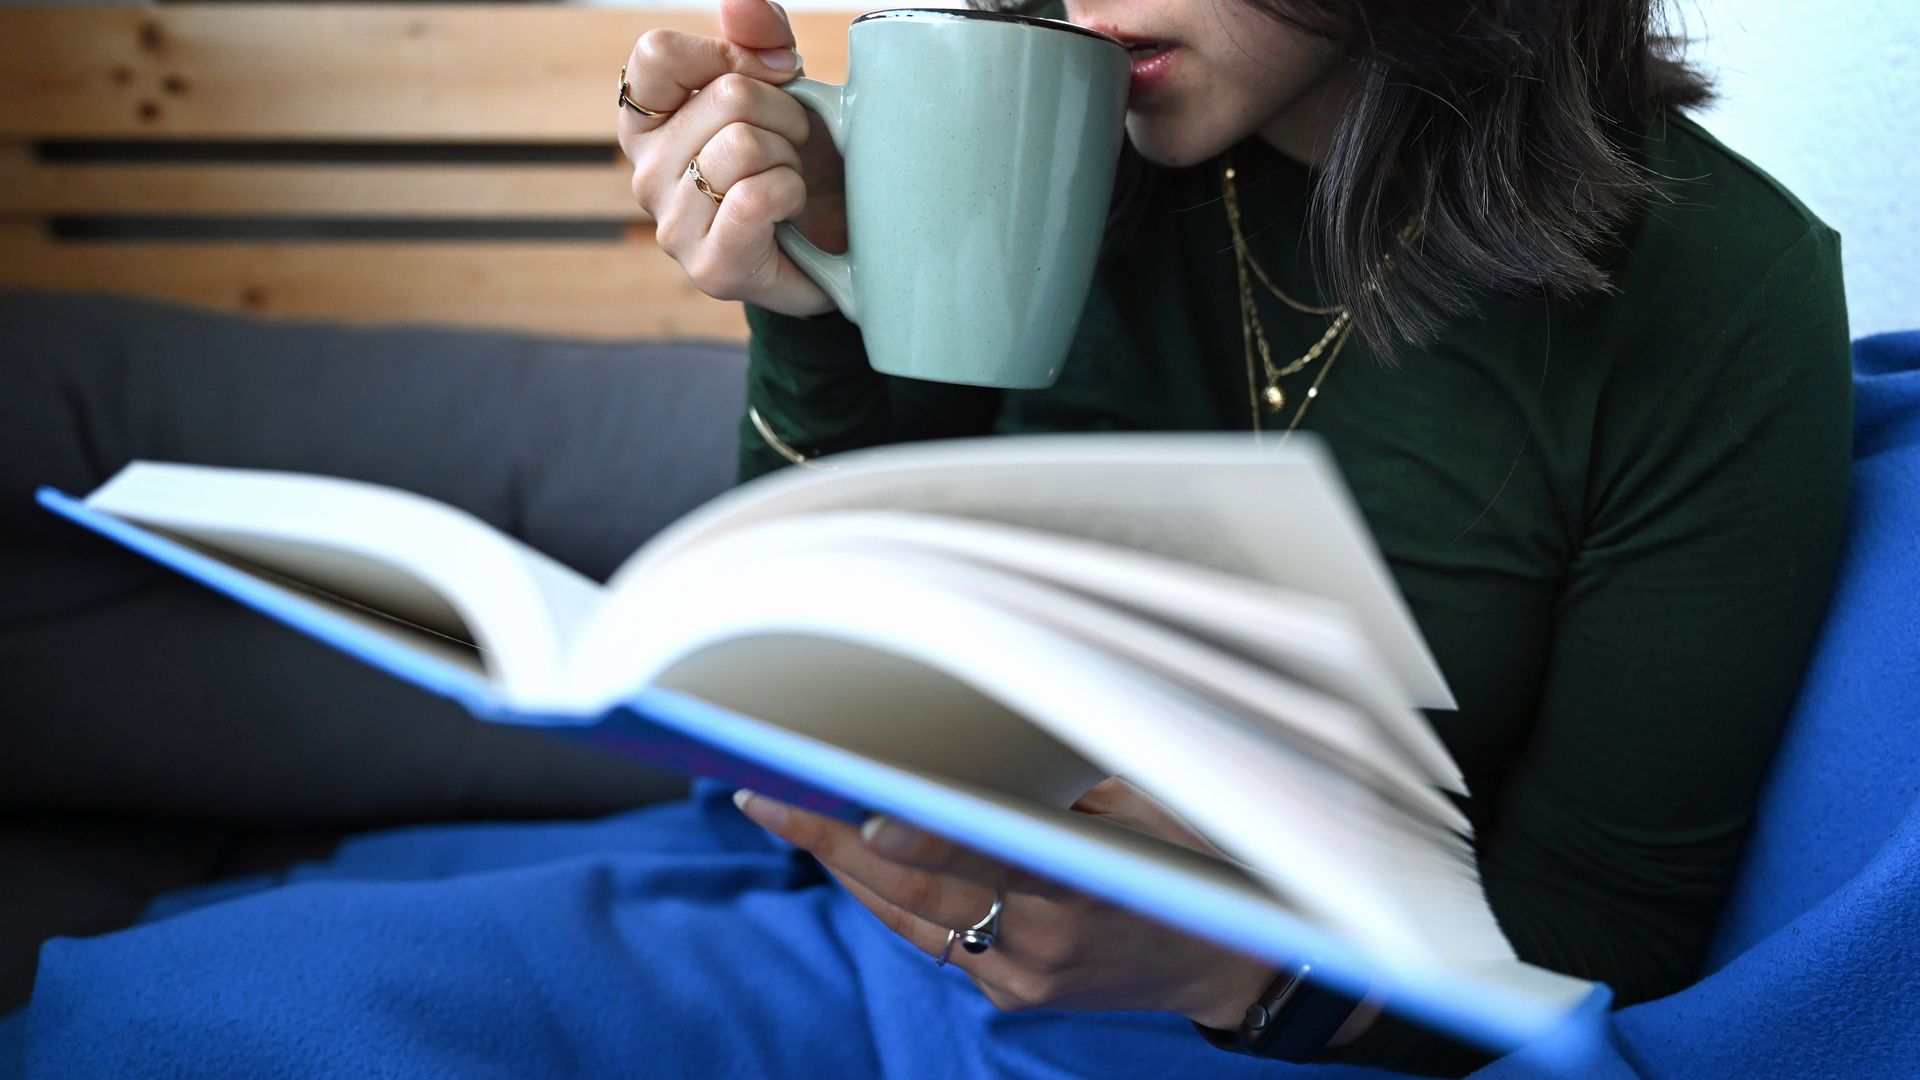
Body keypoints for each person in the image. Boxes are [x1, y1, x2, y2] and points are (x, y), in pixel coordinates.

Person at [12, 0, 1849, 1075]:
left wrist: (1234, 972)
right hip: (868, 927)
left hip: (1257, 1043)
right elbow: (847, 584)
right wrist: (808, 304)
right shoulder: (1065, 129)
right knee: (151, 1012)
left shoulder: (1714, 290)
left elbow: (1617, 943)